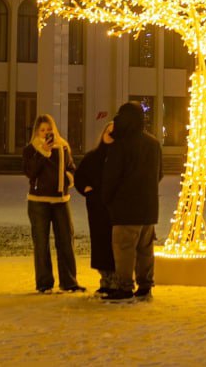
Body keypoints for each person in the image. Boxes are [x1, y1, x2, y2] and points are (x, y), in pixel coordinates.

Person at [101, 102, 163, 302]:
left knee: (124, 249)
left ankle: (125, 287)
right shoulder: (153, 144)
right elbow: (159, 174)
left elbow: (112, 176)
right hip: (148, 208)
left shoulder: (121, 144)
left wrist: (108, 199)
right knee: (145, 250)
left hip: (126, 208)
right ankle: (145, 285)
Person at [22, 114, 84, 294]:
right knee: (41, 243)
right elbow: (30, 172)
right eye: (42, 130)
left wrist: (68, 179)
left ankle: (69, 282)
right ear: (37, 131)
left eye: (49, 130)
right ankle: (44, 283)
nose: (46, 133)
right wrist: (43, 152)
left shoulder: (63, 146)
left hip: (60, 201)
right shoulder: (30, 149)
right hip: (38, 202)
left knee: (66, 241)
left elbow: (71, 167)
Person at [75, 120, 117, 295]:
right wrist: (87, 190)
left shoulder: (119, 156)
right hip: (96, 208)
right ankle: (104, 279)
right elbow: (79, 176)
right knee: (100, 243)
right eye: (108, 130)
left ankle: (115, 280)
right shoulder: (92, 156)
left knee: (114, 243)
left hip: (114, 208)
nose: (110, 134)